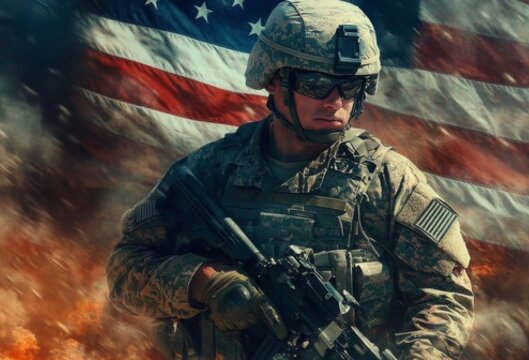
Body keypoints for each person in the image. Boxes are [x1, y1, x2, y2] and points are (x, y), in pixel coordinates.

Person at [105, 0, 473, 359]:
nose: (334, 101)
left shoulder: (389, 181)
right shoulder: (210, 172)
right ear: (274, 81)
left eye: (349, 86)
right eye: (316, 84)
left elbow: (444, 297)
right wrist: (203, 282)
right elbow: (125, 269)